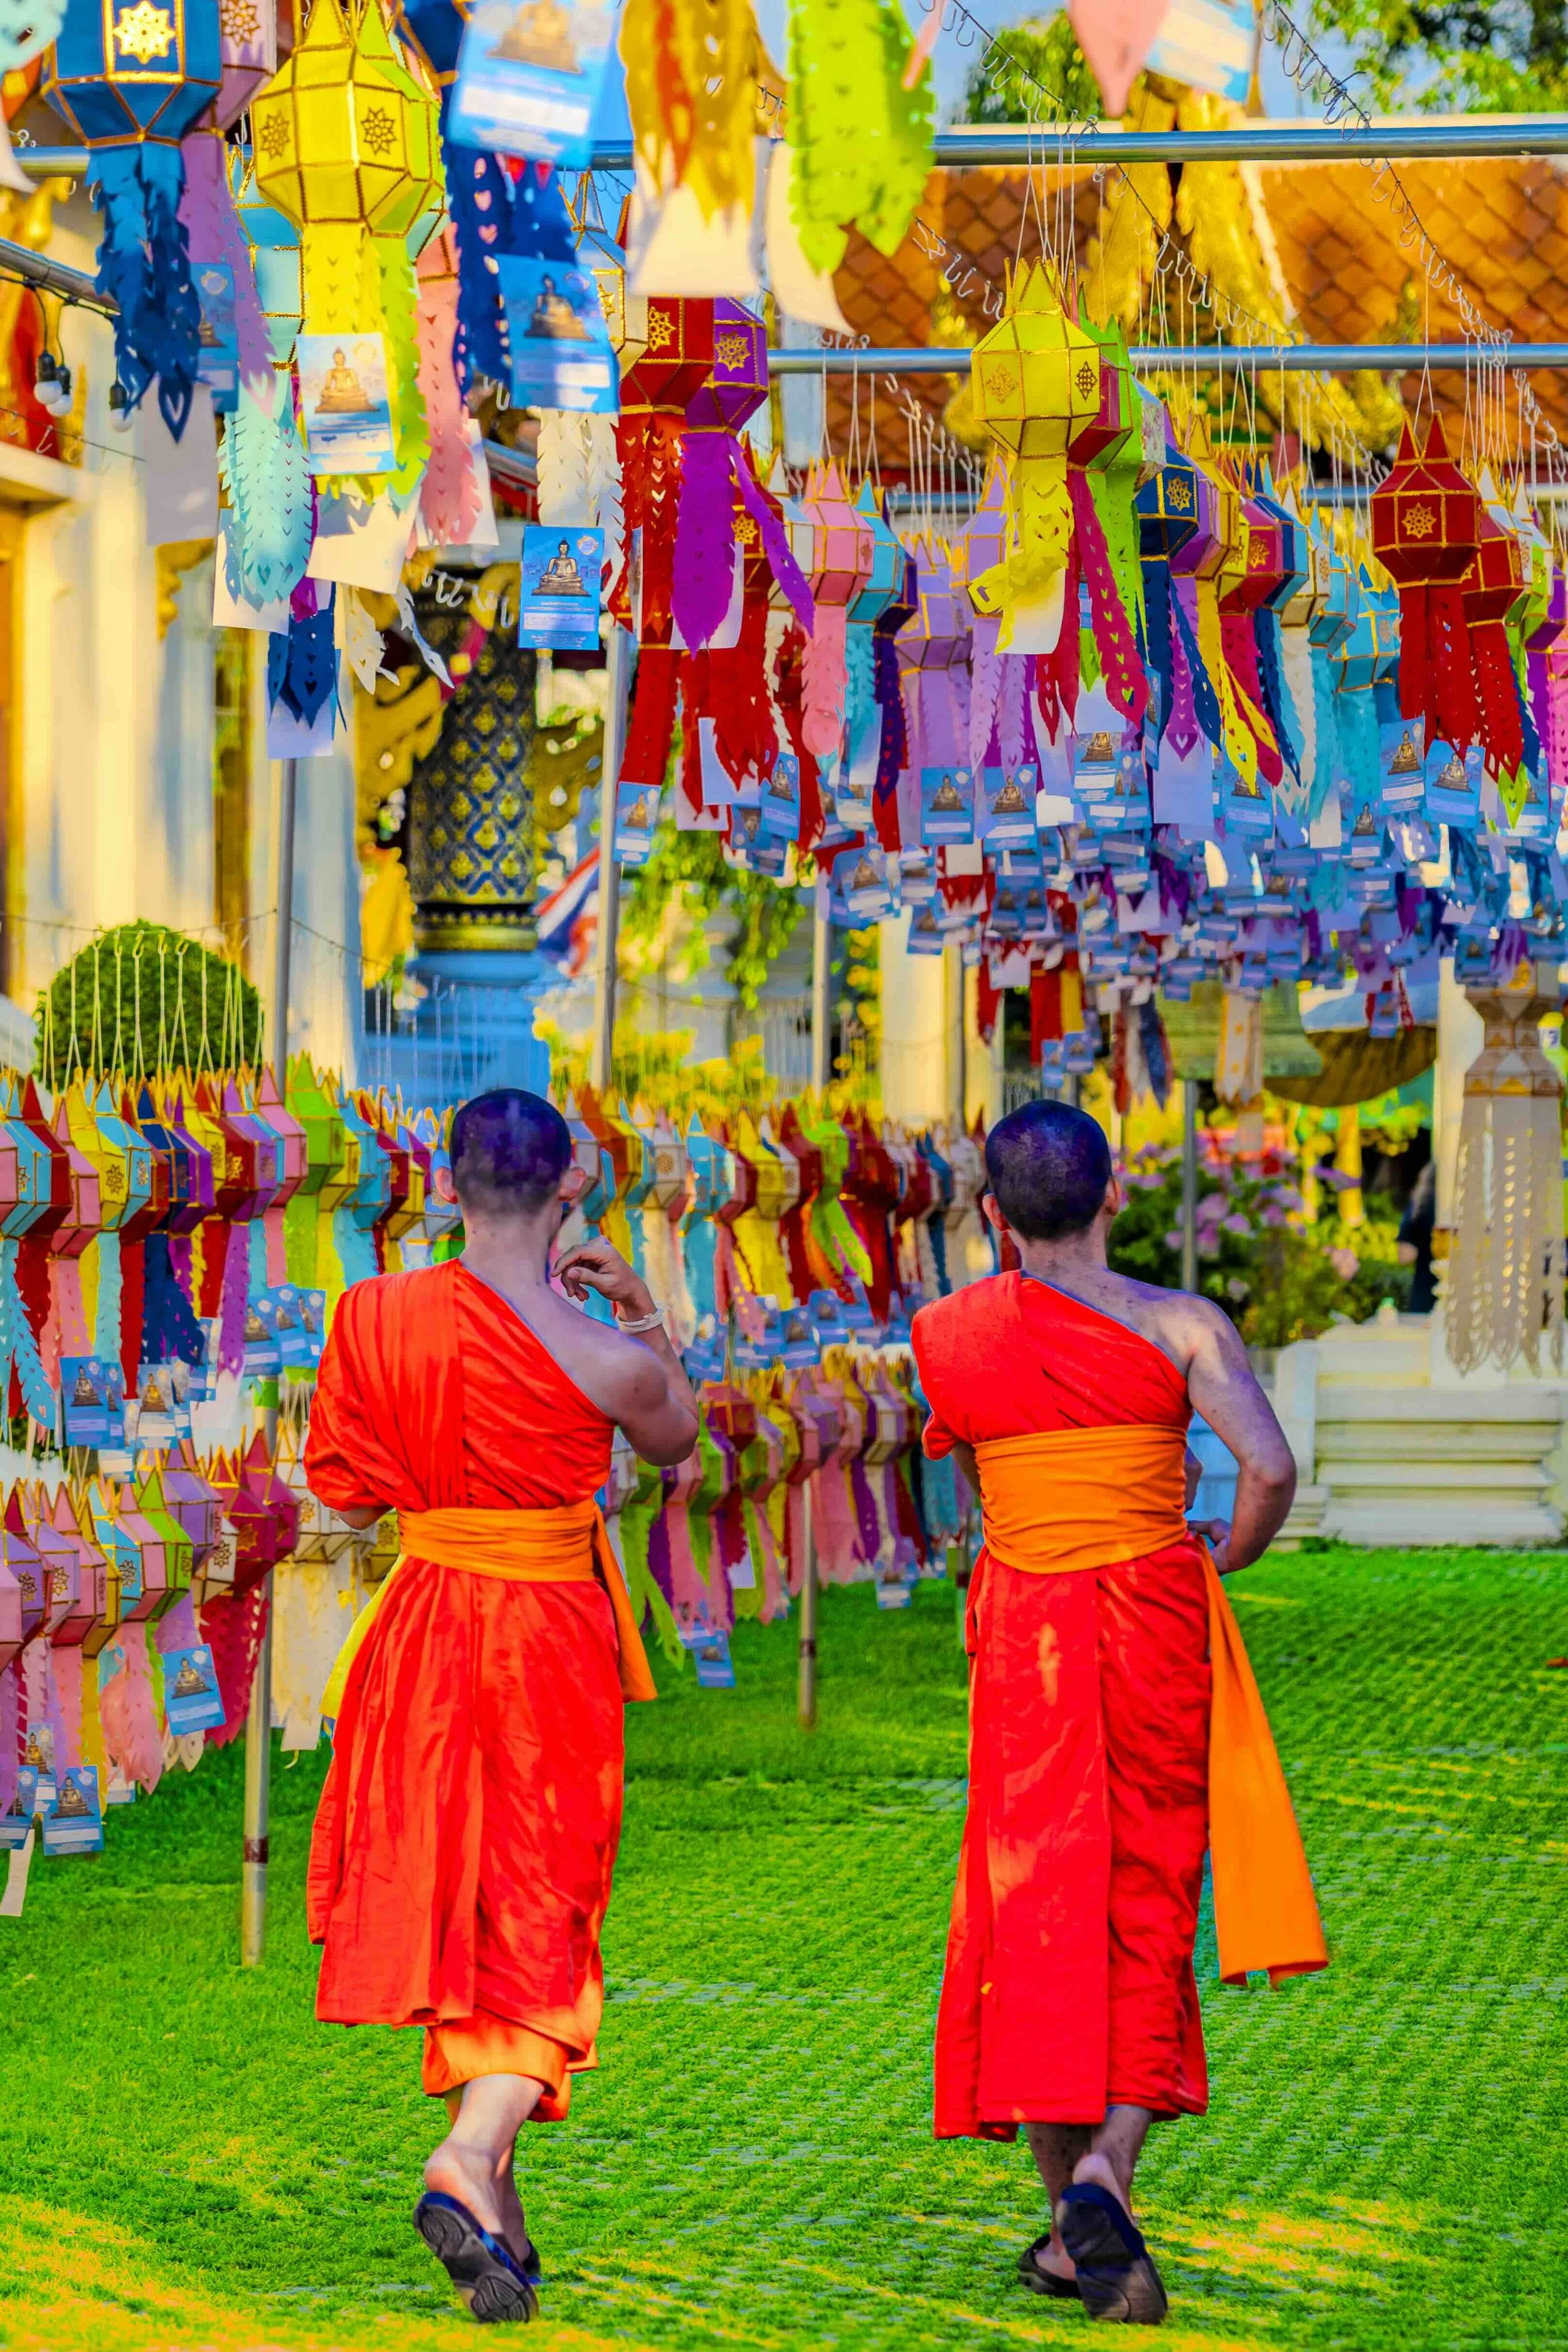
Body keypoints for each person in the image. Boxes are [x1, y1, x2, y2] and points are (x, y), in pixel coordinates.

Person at [911, 1100, 1326, 2328]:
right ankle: (1103, 2175)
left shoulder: (949, 1334)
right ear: (1111, 1197)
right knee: (1148, 1896)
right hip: (1151, 1615)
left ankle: (1068, 2222)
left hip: (1025, 1632)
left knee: (1035, 1905)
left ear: (992, 1215)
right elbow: (1268, 1467)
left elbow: (981, 1482)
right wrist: (1228, 1549)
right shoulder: (1182, 1324)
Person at [304, 1088, 699, 2324]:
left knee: (476, 1904)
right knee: (543, 1905)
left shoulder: (371, 1316)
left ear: (443, 1182)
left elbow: (346, 1494)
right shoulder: (607, 1356)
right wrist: (645, 1312)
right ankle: (468, 2154)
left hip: (424, 1627)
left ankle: (503, 2224)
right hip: (544, 1643)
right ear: (572, 1183)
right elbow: (678, 1440)